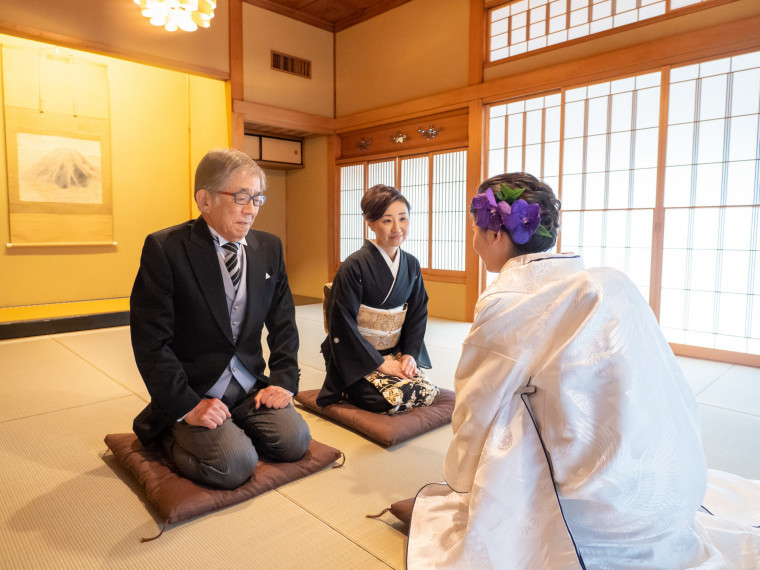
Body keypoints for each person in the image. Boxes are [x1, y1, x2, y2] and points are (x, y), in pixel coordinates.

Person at [406, 173, 760, 568]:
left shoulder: (509, 299)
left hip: (592, 524)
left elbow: (478, 402)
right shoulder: (608, 281)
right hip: (672, 486)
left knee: (507, 405)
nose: (473, 242)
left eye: (476, 230)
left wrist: (461, 479)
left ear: (495, 235)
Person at [130, 148, 311, 490]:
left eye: (258, 198)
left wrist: (284, 379)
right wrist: (187, 406)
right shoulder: (166, 249)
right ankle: (169, 430)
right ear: (205, 200)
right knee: (233, 465)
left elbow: (283, 321)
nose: (251, 209)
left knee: (295, 441)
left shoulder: (268, 248)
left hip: (247, 386)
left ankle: (233, 428)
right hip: (194, 389)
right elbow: (151, 341)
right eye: (241, 197)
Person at [317, 184, 439, 414]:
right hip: (357, 355)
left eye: (403, 218)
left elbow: (417, 312)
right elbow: (342, 322)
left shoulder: (411, 264)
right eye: (387, 220)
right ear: (370, 223)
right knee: (383, 400)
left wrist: (410, 354)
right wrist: (380, 364)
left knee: (426, 392)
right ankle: (346, 386)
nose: (397, 228)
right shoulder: (354, 266)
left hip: (394, 352)